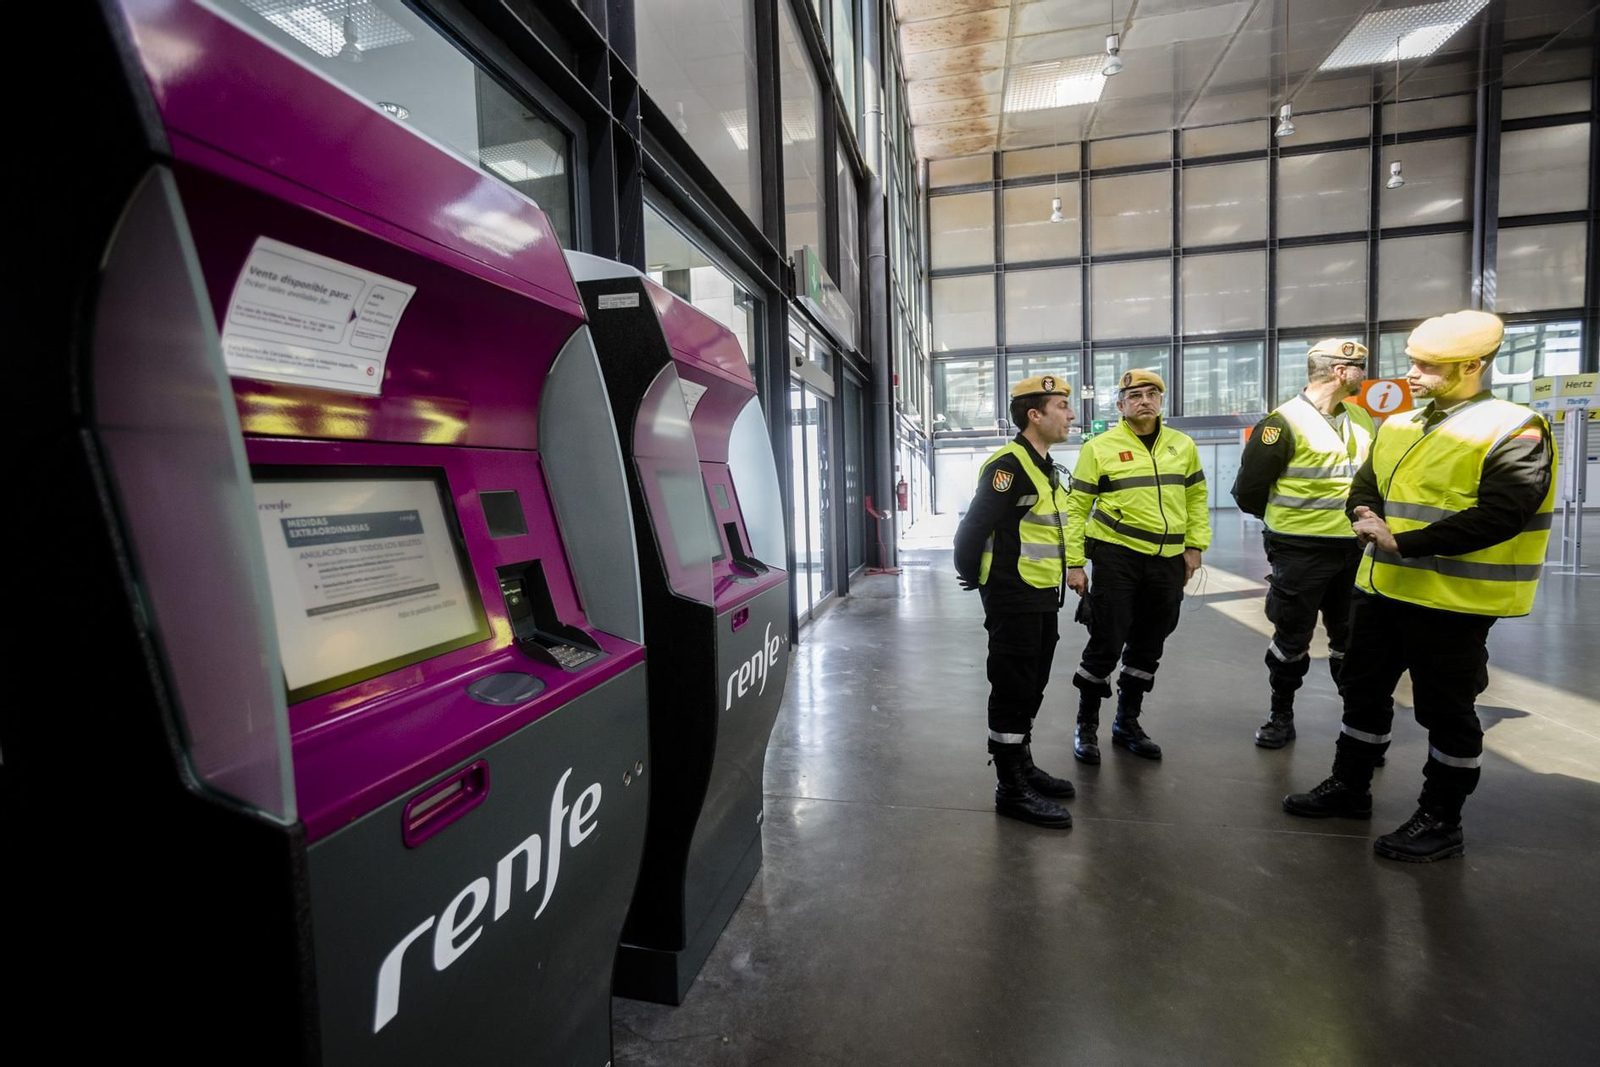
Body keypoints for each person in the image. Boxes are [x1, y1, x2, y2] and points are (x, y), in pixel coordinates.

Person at [1283, 310, 1555, 862]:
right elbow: (1366, 485)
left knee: (1446, 711)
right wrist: (1363, 514)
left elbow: (1503, 514)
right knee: (1362, 692)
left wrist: (1402, 542)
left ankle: (1441, 818)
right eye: (1412, 361)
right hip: (1382, 589)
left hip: (1453, 601)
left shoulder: (1514, 428)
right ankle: (1350, 786)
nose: (1412, 373)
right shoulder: (1401, 424)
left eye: (1428, 366)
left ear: (1472, 366)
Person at [1232, 339, 1375, 748]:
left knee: (1352, 640)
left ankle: (1356, 726)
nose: (1364, 375)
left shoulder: (1362, 417)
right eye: (1359, 368)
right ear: (1340, 372)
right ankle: (1281, 716)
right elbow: (1248, 491)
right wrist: (1288, 524)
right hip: (1299, 552)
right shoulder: (1282, 424)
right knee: (1292, 638)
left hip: (1354, 549)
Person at [1063, 369, 1209, 764]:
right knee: (1106, 642)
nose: (1145, 401)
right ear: (1121, 405)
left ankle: (1127, 723)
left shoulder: (1183, 445)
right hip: (1117, 558)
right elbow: (1077, 507)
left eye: (1152, 394)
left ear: (1161, 400)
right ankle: (1086, 726)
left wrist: (1195, 545)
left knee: (1149, 644)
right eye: (1135, 396)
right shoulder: (1099, 448)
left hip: (1168, 561)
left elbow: (1196, 498)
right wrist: (1075, 563)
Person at [953, 375, 1078, 828]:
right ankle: (1010, 787)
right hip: (1013, 592)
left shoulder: (1045, 466)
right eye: (1062, 406)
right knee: (1012, 685)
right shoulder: (1008, 466)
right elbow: (972, 527)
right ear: (1035, 415)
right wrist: (975, 577)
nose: (1071, 414)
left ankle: (1022, 763)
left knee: (1033, 682)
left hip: (1041, 591)